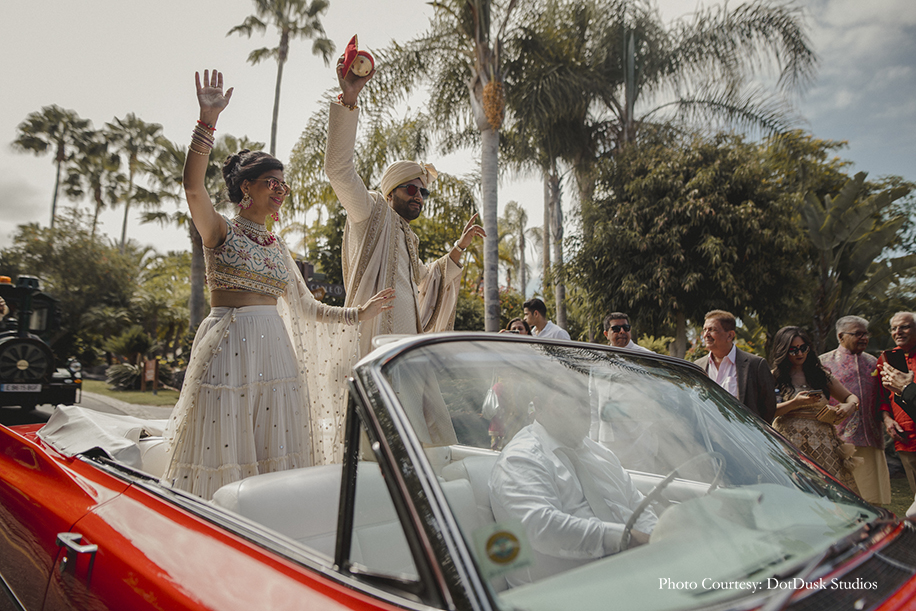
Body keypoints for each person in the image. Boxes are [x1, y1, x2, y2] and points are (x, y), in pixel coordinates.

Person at [161, 70, 395, 500]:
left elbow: (307, 307)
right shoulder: (220, 232)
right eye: (272, 182)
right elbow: (193, 188)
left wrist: (358, 314)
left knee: (272, 453)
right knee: (224, 448)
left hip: (275, 357)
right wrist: (207, 121)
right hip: (228, 348)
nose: (280, 190)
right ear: (245, 187)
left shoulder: (277, 247)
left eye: (283, 184)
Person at [325, 48, 484, 358]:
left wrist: (459, 247)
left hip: (406, 347)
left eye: (423, 192)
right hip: (374, 344)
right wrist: (349, 100)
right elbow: (338, 171)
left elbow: (426, 277)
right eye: (411, 188)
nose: (418, 197)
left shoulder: (409, 237)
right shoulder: (371, 212)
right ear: (390, 193)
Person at [489, 380, 657, 586]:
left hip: (632, 574)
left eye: (584, 401)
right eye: (566, 401)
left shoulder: (600, 453)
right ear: (538, 406)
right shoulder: (520, 459)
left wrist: (658, 536)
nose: (581, 409)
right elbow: (543, 528)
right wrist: (626, 539)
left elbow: (638, 504)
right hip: (564, 591)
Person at [769, 326, 861, 494]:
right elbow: (767, 410)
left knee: (828, 489)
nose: (799, 353)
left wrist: (849, 406)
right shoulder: (774, 377)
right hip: (788, 439)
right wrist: (795, 403)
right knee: (791, 487)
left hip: (822, 441)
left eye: (803, 348)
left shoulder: (820, 375)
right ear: (783, 351)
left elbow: (851, 397)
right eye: (793, 350)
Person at [819, 316, 890, 505]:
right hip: (838, 441)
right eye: (858, 334)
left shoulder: (873, 362)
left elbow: (884, 398)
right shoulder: (823, 363)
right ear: (841, 336)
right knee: (841, 498)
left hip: (871, 439)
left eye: (865, 334)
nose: (864, 338)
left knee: (872, 499)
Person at [694, 310, 777, 423]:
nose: (706, 335)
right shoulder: (698, 366)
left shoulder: (755, 365)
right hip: (706, 433)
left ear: (730, 335)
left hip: (743, 433)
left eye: (712, 330)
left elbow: (769, 408)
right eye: (704, 330)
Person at [877, 312, 916, 495]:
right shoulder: (886, 359)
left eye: (904, 327)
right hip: (905, 435)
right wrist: (887, 420)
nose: (898, 332)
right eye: (894, 328)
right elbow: (882, 397)